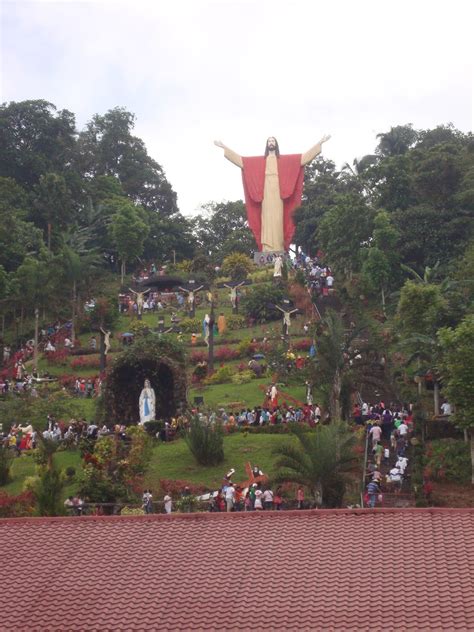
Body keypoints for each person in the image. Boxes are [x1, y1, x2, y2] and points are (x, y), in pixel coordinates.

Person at [215, 135, 331, 252]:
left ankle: (278, 248)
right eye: (269, 141)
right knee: (266, 219)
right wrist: (224, 147)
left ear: (276, 144)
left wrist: (319, 143)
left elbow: (303, 158)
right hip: (265, 192)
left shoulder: (284, 160)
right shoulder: (259, 161)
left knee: (278, 220)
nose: (271, 143)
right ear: (267, 144)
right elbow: (241, 161)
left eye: (273, 141)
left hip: (278, 193)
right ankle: (266, 248)